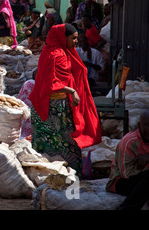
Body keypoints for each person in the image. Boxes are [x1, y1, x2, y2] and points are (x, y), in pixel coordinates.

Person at [29, 24, 102, 173]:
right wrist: (72, 90)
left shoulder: (61, 51)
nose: (76, 41)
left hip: (59, 105)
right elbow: (50, 83)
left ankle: (62, 176)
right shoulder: (54, 54)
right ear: (63, 38)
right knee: (61, 145)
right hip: (53, 108)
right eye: (73, 38)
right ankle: (58, 177)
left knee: (62, 145)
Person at [106, 110, 149, 210]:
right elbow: (126, 174)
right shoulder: (129, 142)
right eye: (147, 125)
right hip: (121, 181)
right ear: (139, 125)